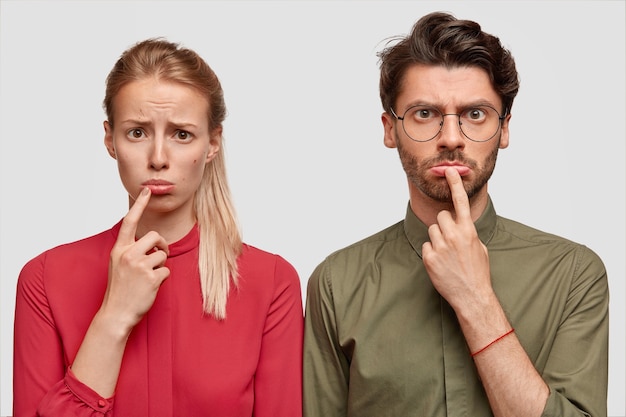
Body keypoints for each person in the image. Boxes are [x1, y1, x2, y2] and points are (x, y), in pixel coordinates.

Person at [303, 12, 608, 417]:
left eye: (475, 114)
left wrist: (475, 298)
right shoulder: (336, 285)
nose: (451, 138)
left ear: (505, 129)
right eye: (424, 114)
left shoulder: (573, 275)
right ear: (390, 129)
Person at [13, 38, 303, 417]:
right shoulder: (44, 280)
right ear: (109, 139)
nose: (158, 159)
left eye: (182, 134)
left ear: (212, 143)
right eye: (137, 132)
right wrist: (114, 315)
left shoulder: (272, 283)